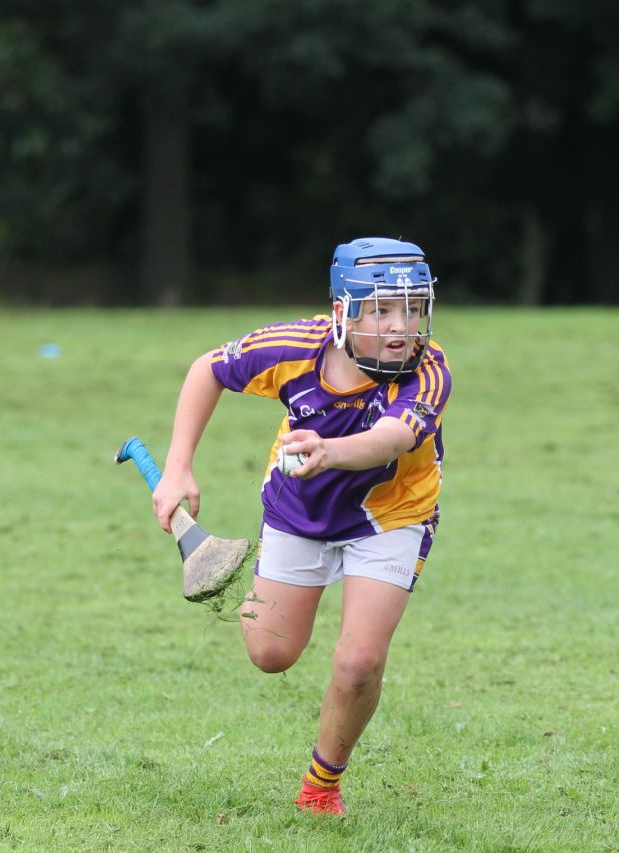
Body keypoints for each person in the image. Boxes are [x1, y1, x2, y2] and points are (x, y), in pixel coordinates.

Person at [152, 237, 451, 815]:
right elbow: (207, 369)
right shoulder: (294, 346)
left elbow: (392, 438)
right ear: (343, 312)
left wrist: (330, 451)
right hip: (298, 512)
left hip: (392, 515)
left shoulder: (430, 369)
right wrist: (177, 467)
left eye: (413, 308)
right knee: (271, 653)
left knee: (358, 660)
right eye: (382, 309)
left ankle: (321, 786)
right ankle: (266, 594)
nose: (401, 327)